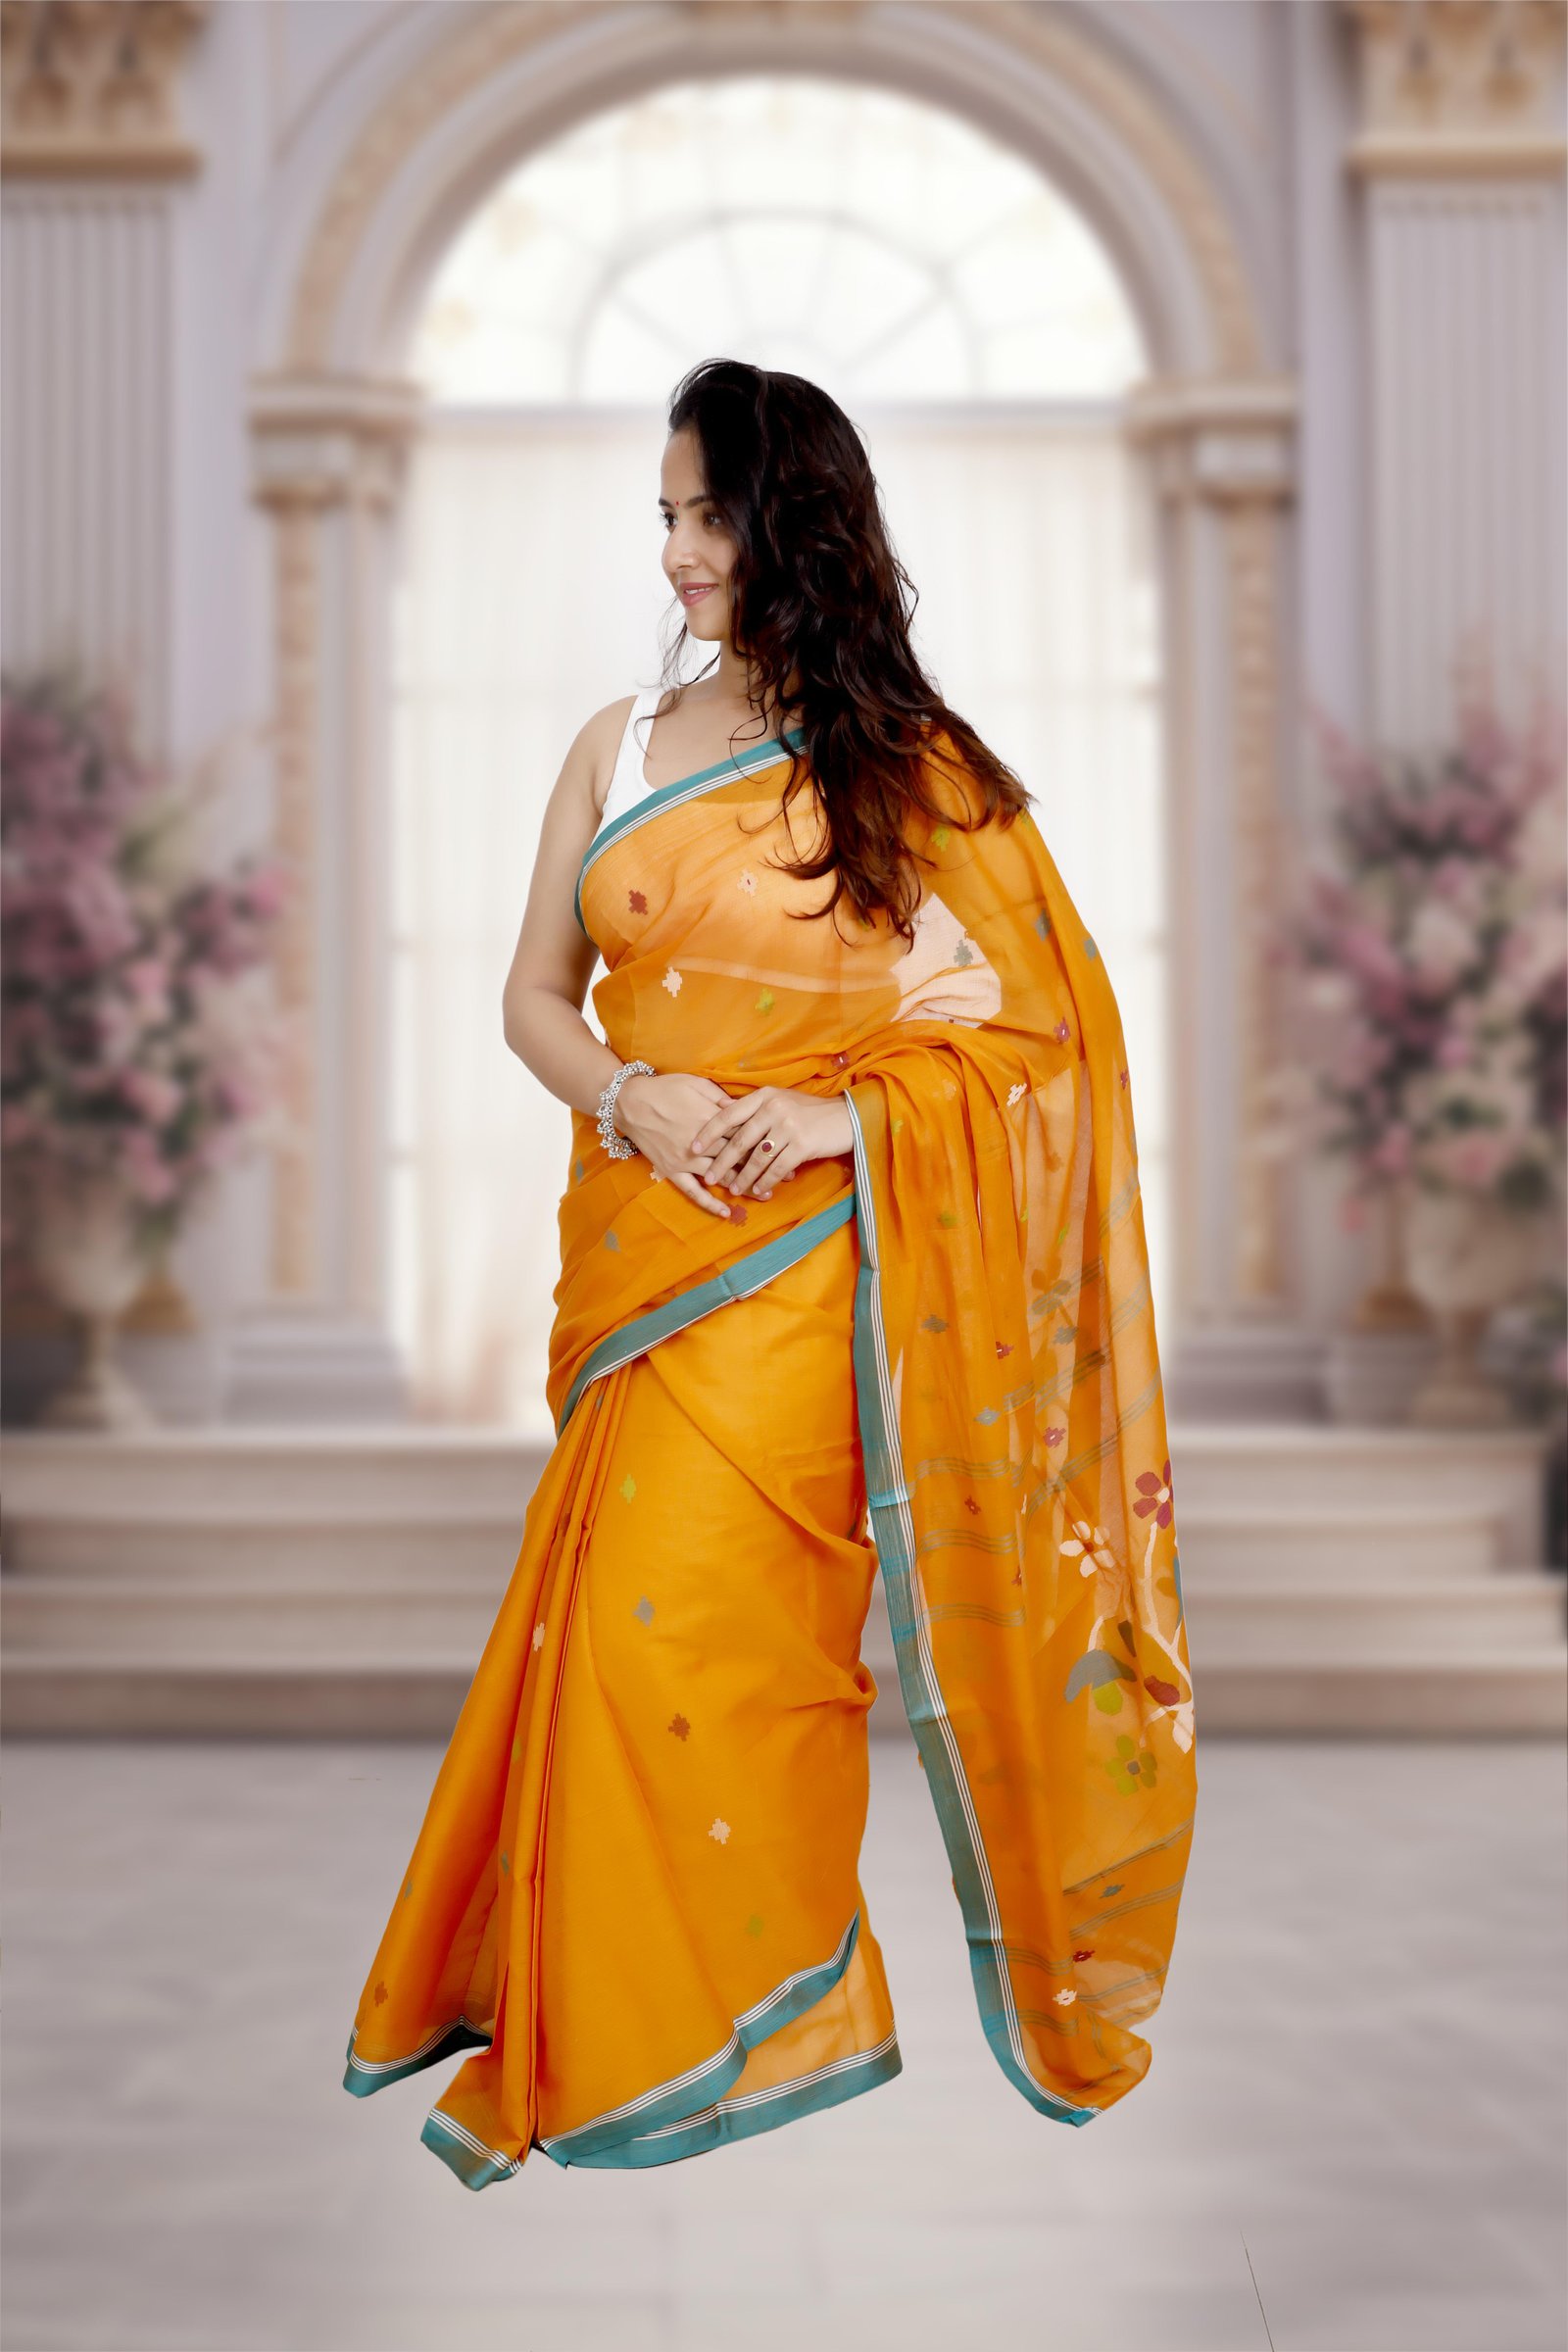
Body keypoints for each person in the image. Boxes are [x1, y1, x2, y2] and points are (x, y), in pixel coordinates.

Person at [341, 357, 1198, 2187]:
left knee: (727, 1650)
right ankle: (613, 2029)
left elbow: (1042, 1043)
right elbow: (532, 998)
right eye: (663, 514)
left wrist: (831, 1123)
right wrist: (631, 1095)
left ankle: (759, 2003)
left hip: (810, 1289)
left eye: (710, 513)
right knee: (611, 1634)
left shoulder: (918, 774)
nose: (677, 552)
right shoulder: (617, 746)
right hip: (644, 1263)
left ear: (794, 523)